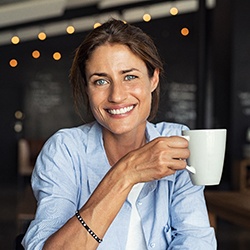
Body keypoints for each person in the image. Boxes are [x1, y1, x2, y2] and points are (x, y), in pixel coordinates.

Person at [22, 18, 216, 249]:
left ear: (153, 78)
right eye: (101, 81)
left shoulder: (177, 143)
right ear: (87, 88)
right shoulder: (64, 151)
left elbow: (196, 240)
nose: (117, 96)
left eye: (130, 76)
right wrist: (125, 174)